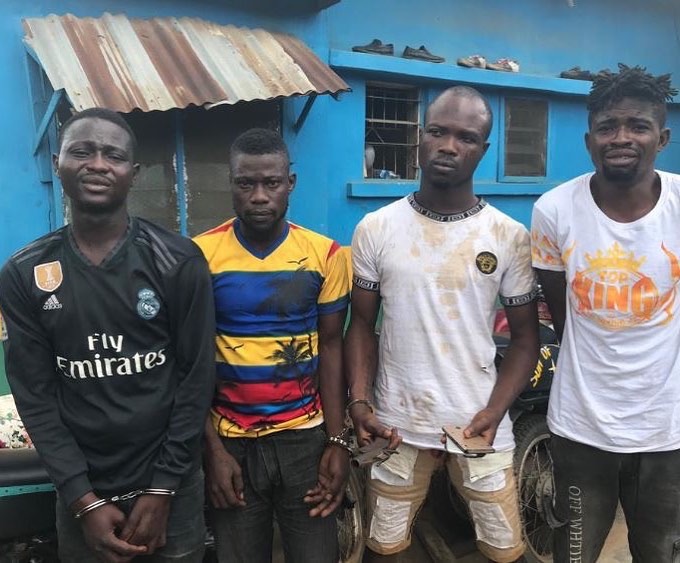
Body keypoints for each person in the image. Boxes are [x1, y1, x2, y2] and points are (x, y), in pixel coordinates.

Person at [0, 107, 215, 563]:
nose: (97, 164)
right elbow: (35, 395)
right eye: (82, 152)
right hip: (84, 495)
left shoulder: (178, 261)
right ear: (58, 163)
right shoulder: (25, 273)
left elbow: (196, 379)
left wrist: (164, 488)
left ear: (132, 173)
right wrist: (82, 500)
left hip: (172, 490)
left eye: (112, 155)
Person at [345, 86, 539, 563]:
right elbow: (361, 326)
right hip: (396, 422)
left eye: (466, 137)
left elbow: (525, 340)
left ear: (483, 150)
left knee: (504, 549)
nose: (449, 146)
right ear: (420, 137)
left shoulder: (508, 236)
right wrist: (360, 402)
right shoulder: (376, 228)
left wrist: (495, 410)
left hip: (479, 423)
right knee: (384, 547)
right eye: (438, 131)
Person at [531, 64, 680, 563]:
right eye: (607, 127)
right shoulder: (554, 210)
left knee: (660, 552)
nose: (621, 138)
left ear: (662, 138)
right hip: (581, 426)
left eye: (638, 126)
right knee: (573, 553)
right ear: (589, 140)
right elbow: (563, 314)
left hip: (667, 430)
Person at [193, 128, 350, 563]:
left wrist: (337, 441)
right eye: (246, 184)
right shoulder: (199, 256)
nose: (259, 196)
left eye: (272, 183)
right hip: (231, 446)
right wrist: (212, 450)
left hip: (305, 443)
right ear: (231, 183)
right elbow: (192, 360)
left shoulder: (325, 255)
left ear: (290, 183)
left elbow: (332, 348)